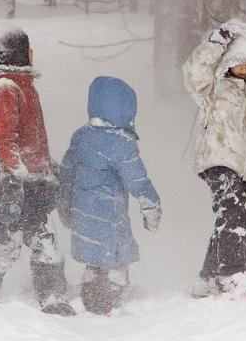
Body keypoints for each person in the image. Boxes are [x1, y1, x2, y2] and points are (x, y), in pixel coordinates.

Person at [0, 23, 75, 316]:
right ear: (20, 54)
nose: (32, 54)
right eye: (28, 49)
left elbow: (33, 139)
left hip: (34, 182)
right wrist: (17, 175)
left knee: (44, 241)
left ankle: (52, 293)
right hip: (7, 184)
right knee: (4, 241)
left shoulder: (26, 89)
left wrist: (48, 167)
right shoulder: (5, 91)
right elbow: (4, 141)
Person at [182, 19, 246, 297]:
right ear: (228, 61)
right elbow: (192, 73)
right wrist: (217, 41)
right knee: (234, 208)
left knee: (233, 215)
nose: (243, 67)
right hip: (219, 159)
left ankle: (209, 277)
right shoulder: (214, 87)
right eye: (237, 61)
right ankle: (232, 275)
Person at [58, 76, 161, 315]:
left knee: (94, 259)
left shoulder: (81, 136)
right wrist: (151, 208)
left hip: (83, 217)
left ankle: (92, 293)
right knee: (115, 260)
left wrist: (65, 206)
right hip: (110, 218)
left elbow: (66, 173)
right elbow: (138, 181)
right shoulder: (121, 142)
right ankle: (109, 303)